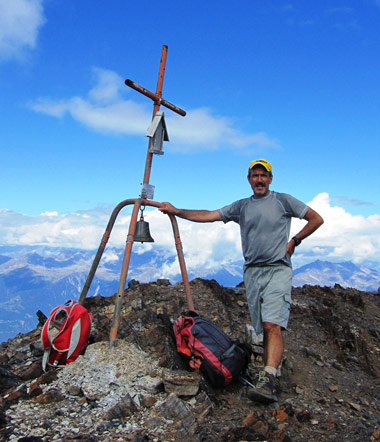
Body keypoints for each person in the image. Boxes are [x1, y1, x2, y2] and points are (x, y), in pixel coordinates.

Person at [159, 159, 324, 403]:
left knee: (271, 325)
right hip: (252, 273)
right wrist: (177, 211)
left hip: (277, 268)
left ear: (270, 178)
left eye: (263, 175)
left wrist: (295, 241)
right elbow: (210, 215)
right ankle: (271, 376)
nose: (259, 180)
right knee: (264, 329)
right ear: (249, 179)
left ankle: (269, 379)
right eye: (255, 175)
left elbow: (315, 219)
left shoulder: (283, 200)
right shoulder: (242, 207)